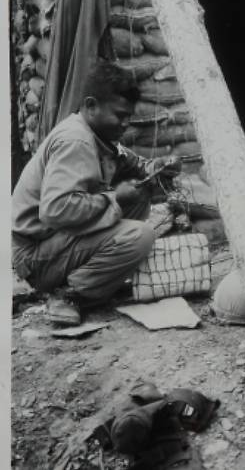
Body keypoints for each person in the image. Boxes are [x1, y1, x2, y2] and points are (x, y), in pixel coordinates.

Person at [12, 61, 182, 326]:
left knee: (140, 192)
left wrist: (157, 168)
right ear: (91, 106)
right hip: (36, 256)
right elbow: (55, 209)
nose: (125, 123)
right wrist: (114, 198)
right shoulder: (76, 141)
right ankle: (70, 295)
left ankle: (95, 280)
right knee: (140, 235)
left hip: (53, 243)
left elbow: (133, 163)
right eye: (119, 115)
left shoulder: (100, 137)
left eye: (129, 116)